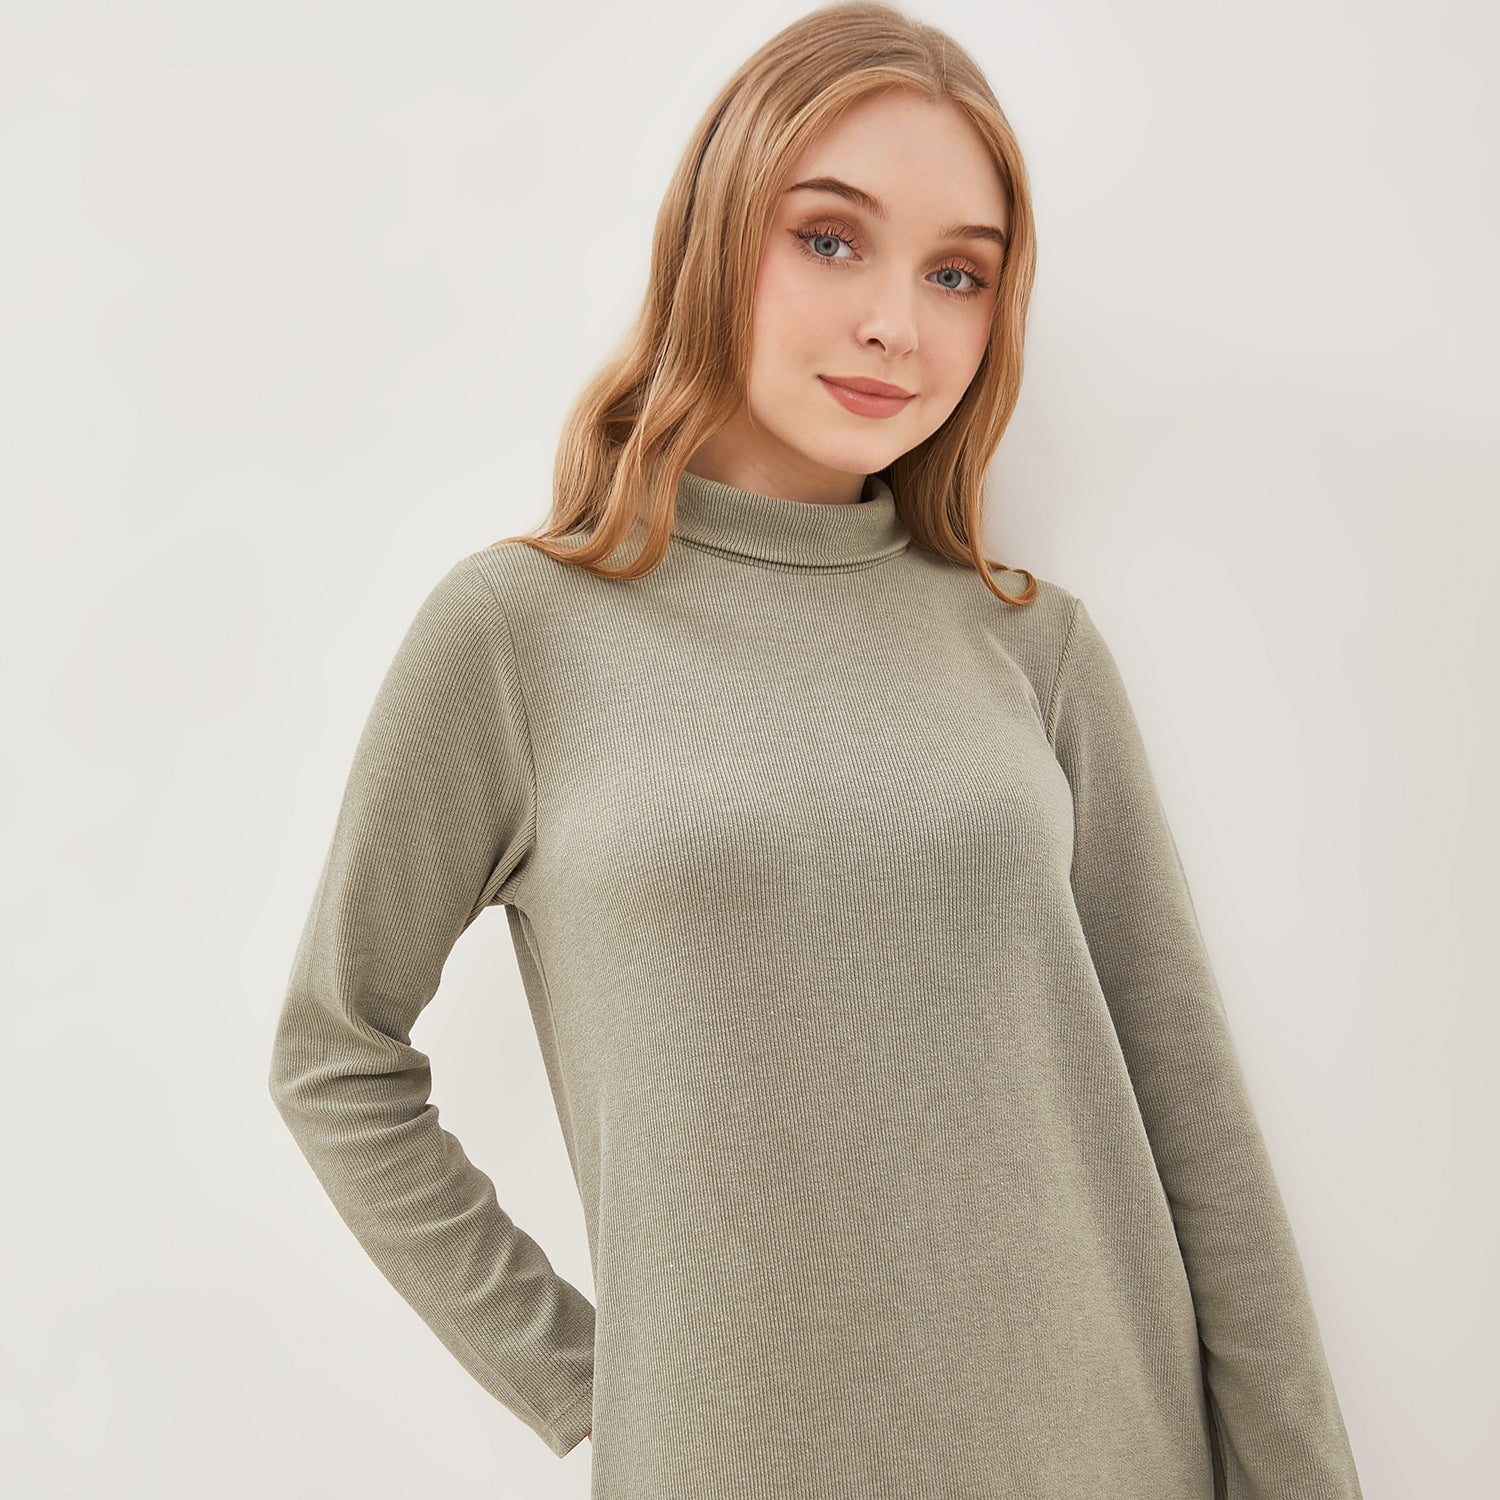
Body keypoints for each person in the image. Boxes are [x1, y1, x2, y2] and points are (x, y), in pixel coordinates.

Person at [267, 4, 1365, 1496]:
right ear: (714, 240)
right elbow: (334, 1055)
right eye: (831, 240)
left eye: (958, 273)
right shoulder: (517, 633)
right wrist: (589, 1379)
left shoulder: (1031, 646)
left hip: (1103, 1453)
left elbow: (1195, 1127)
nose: (896, 324)